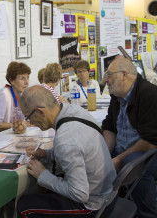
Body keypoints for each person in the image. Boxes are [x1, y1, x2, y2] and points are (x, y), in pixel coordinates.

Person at [17, 85, 117, 218]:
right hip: (109, 193)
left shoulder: (66, 138)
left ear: (40, 112)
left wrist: (42, 175)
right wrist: (47, 154)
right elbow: (78, 148)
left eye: (28, 117)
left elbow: (79, 194)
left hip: (94, 207)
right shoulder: (74, 110)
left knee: (24, 206)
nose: (31, 123)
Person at [102, 57, 157, 218]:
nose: (106, 81)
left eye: (109, 75)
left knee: (133, 162)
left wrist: (119, 159)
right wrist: (104, 157)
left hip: (148, 153)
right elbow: (110, 127)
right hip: (124, 152)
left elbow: (151, 141)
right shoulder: (116, 97)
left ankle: (148, 213)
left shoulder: (149, 94)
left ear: (124, 74)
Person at [0, 61, 31, 132]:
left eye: (27, 78)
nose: (27, 82)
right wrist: (20, 125)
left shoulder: (21, 95)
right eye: (22, 78)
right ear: (11, 80)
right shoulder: (4, 94)